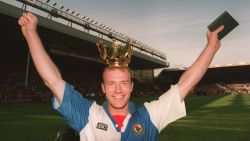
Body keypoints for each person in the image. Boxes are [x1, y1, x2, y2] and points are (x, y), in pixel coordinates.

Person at [18, 12, 224, 141]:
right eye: (112, 83)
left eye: (124, 83)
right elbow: (52, 80)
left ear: (131, 86)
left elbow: (185, 85)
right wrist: (31, 34)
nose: (118, 90)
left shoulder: (149, 116)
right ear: (103, 88)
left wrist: (211, 48)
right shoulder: (88, 115)